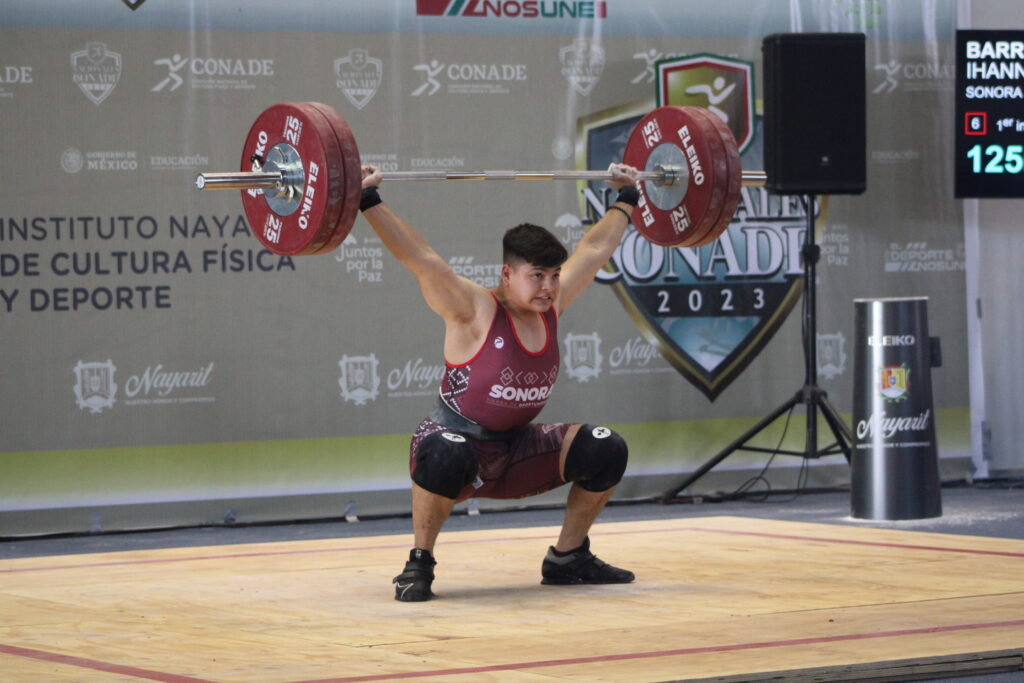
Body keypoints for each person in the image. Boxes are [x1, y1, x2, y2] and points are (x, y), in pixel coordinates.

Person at [359, 163, 641, 602]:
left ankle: (568, 558)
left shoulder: (551, 303)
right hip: (458, 445)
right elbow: (421, 260)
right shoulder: (474, 310)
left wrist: (627, 197)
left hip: (517, 449)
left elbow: (596, 248)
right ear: (507, 275)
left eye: (553, 276)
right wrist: (367, 200)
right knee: (442, 452)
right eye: (537, 277)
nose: (548, 287)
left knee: (605, 447)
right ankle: (419, 563)